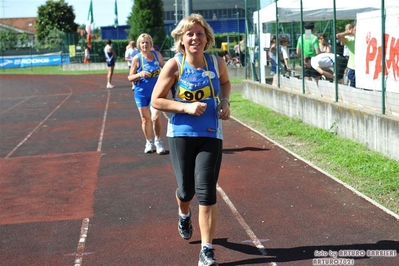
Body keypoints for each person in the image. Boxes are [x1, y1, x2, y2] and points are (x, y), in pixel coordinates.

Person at [151, 13, 231, 266]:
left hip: (210, 133)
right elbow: (157, 100)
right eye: (189, 34)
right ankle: (183, 213)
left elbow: (226, 83)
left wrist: (226, 101)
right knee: (186, 190)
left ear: (207, 38)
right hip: (181, 134)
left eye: (199, 33)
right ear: (182, 39)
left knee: (206, 190)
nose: (195, 37)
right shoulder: (175, 65)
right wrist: (186, 108)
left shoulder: (216, 62)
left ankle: (206, 250)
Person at [127, 33, 166, 154]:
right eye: (142, 43)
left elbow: (165, 68)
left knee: (155, 117)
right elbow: (130, 77)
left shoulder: (157, 55)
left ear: (151, 44)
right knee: (145, 119)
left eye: (147, 42)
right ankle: (148, 142)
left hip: (156, 92)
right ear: (139, 45)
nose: (145, 45)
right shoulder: (137, 58)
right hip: (141, 93)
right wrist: (140, 74)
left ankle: (158, 141)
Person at [336, 22, 356, 88]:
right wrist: (349, 32)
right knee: (352, 86)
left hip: (362, 69)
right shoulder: (350, 39)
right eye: (355, 30)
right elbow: (338, 36)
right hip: (353, 67)